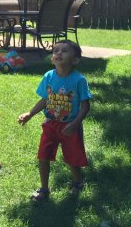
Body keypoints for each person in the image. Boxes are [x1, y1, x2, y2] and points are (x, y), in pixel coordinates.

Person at [18, 40, 92, 202]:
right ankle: (44, 188)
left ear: (75, 60)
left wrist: (75, 124)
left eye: (64, 51)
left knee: (73, 157)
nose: (58, 53)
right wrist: (30, 114)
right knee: (43, 156)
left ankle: (77, 182)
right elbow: (45, 99)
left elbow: (85, 106)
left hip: (70, 127)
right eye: (56, 50)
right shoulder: (48, 76)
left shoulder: (79, 80)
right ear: (52, 58)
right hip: (50, 124)